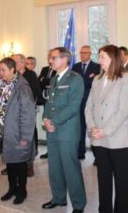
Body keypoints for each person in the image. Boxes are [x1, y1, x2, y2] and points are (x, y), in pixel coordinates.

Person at [85, 44, 128, 213]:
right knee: (103, 179)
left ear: (113, 58)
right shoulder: (97, 79)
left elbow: (123, 110)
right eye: (99, 57)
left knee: (121, 181)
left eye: (102, 57)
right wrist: (92, 128)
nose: (99, 61)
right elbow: (88, 107)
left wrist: (105, 130)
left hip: (118, 138)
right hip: (98, 138)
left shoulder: (126, 78)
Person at [42, 47, 86, 213]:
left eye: (53, 58)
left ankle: (78, 204)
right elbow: (49, 102)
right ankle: (58, 198)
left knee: (70, 168)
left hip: (67, 131)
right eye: (50, 58)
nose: (50, 61)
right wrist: (45, 119)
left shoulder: (75, 79)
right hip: (52, 130)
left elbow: (73, 107)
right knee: (54, 166)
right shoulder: (54, 79)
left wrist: (53, 121)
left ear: (65, 59)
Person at [0, 58, 35, 204]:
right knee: (10, 163)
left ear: (12, 70)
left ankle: (22, 191)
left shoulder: (22, 87)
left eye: (3, 70)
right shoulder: (2, 84)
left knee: (20, 164)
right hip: (6, 132)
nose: (0, 73)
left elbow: (28, 115)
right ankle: (12, 188)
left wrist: (25, 137)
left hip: (18, 133)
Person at [11, 53, 42, 177]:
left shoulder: (31, 75)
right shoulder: (12, 74)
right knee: (14, 137)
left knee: (28, 137)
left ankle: (30, 165)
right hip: (13, 112)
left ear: (23, 63)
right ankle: (14, 164)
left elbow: (36, 92)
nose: (13, 64)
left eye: (16, 62)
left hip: (27, 111)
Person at [72, 45, 100, 160]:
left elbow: (94, 84)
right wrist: (87, 80)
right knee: (80, 127)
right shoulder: (75, 66)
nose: (83, 54)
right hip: (78, 101)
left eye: (85, 52)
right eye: (81, 52)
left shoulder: (97, 67)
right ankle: (80, 151)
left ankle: (97, 156)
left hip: (91, 102)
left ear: (90, 54)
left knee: (93, 126)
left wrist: (85, 81)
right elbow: (74, 83)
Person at [38, 50, 56, 159]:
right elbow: (39, 81)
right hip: (46, 101)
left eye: (52, 56)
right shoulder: (45, 69)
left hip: (55, 101)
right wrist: (46, 80)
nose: (49, 58)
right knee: (47, 124)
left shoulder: (58, 70)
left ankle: (55, 151)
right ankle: (49, 151)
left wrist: (45, 80)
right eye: (48, 56)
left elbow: (51, 82)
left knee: (54, 125)